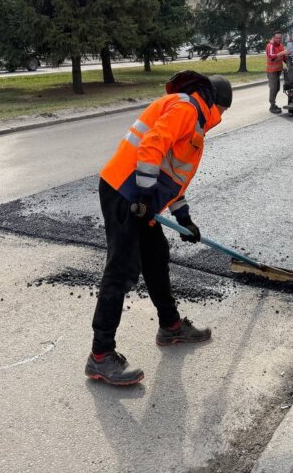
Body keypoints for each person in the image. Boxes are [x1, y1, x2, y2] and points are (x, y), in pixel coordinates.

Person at [86, 71, 233, 386]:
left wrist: (184, 219)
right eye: (223, 112)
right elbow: (151, 147)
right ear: (216, 105)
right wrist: (141, 198)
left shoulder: (194, 123)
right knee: (122, 268)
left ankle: (170, 325)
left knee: (156, 257)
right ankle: (100, 356)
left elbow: (174, 180)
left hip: (140, 197)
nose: (221, 118)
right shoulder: (186, 108)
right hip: (124, 192)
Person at [265, 32, 291, 113]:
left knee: (277, 88)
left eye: (280, 38)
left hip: (278, 70)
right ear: (274, 37)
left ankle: (273, 104)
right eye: (277, 38)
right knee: (273, 88)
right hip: (271, 71)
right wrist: (283, 52)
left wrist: (291, 63)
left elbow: (283, 57)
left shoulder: (281, 45)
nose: (279, 39)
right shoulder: (270, 45)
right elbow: (271, 55)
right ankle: (272, 106)